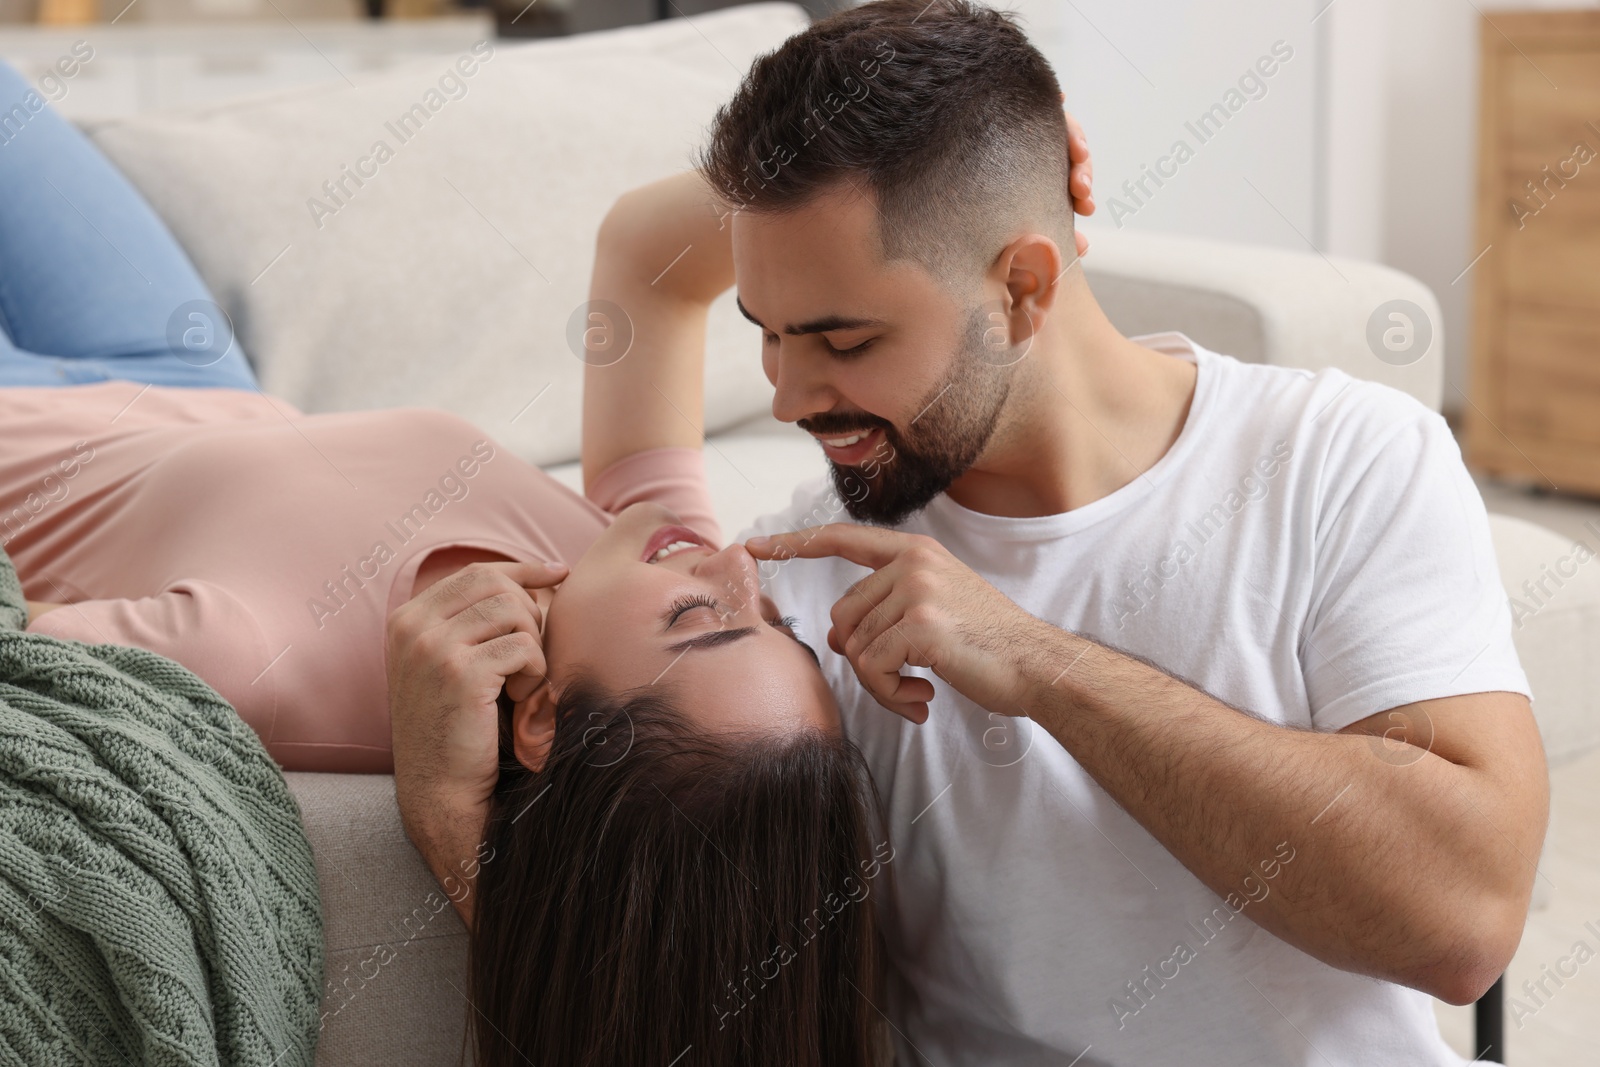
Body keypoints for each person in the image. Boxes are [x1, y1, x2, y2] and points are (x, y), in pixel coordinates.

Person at [412, 0, 1550, 1063]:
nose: (793, 395)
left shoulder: (1339, 458)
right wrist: (450, 824)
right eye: (764, 332)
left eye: (844, 341)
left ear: (1021, 285)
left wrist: (1038, 664)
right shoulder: (790, 601)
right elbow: (676, 993)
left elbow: (1460, 920)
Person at [0, 55, 945, 1064]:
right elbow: (647, 253)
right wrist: (922, 160)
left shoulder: (268, 663)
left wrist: (454, 832)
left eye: (701, 619)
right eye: (769, 620)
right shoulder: (629, 556)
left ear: (541, 711)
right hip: (183, 370)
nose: (736, 569)